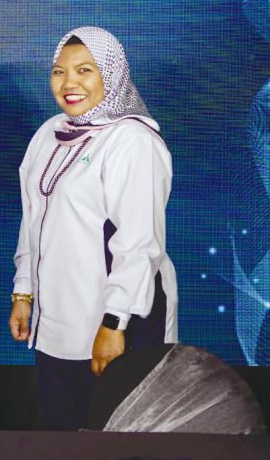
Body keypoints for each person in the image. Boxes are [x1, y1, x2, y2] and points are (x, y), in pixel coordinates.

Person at [9, 26, 178, 430]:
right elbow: (32, 218)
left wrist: (114, 324)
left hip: (117, 321)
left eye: (85, 70)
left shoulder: (132, 141)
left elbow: (140, 244)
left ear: (112, 73)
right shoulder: (48, 134)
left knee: (116, 437)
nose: (69, 83)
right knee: (62, 432)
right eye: (59, 71)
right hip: (57, 320)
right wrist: (24, 291)